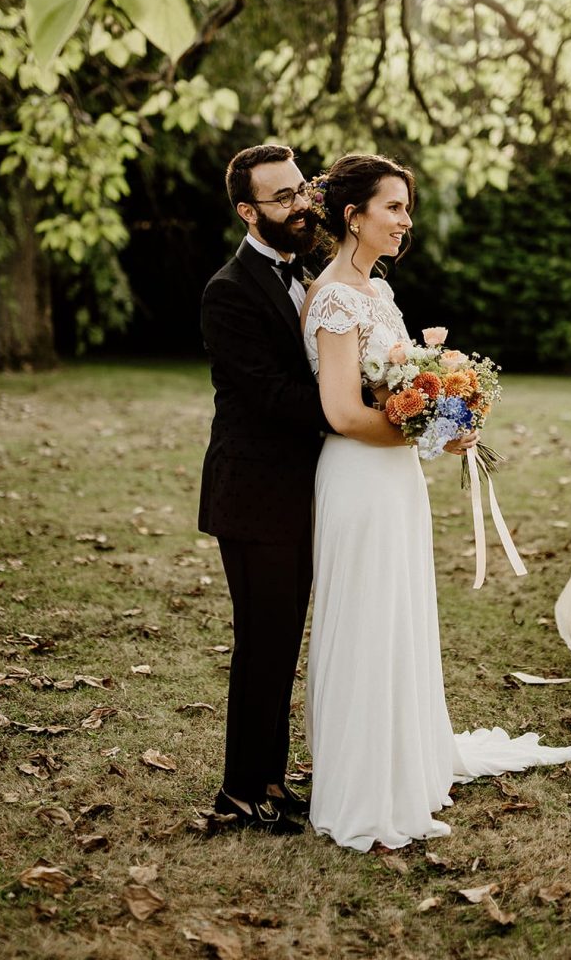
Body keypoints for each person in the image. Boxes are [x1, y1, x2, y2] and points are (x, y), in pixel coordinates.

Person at [302, 154, 571, 851]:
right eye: (392, 207)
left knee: (397, 615)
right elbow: (340, 410)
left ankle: (403, 758)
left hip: (394, 479)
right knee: (367, 618)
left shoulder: (379, 292)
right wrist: (420, 428)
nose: (405, 221)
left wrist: (447, 422)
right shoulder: (334, 296)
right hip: (359, 479)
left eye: (406, 208)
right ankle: (365, 785)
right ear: (353, 215)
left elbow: (398, 388)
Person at [199, 144, 327, 835]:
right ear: (248, 211)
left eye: (301, 189)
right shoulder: (229, 290)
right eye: (282, 198)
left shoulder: (305, 270)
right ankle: (241, 791)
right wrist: (360, 404)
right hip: (253, 497)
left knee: (282, 641)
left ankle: (272, 778)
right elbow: (274, 396)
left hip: (299, 492)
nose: (300, 204)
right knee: (263, 642)